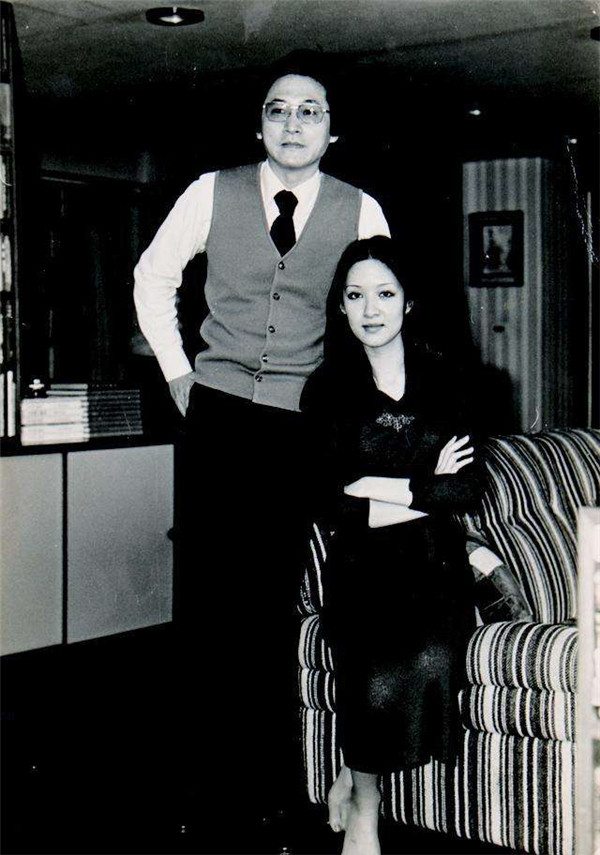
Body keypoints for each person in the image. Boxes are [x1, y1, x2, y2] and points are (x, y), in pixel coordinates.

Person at [133, 54, 390, 833]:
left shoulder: (361, 208)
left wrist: (361, 411)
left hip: (301, 426)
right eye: (279, 109)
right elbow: (152, 277)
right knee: (209, 607)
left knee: (275, 610)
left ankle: (269, 797)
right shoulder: (210, 192)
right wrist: (179, 373)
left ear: (332, 132)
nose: (293, 123)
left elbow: (376, 315)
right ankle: (203, 797)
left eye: (310, 111)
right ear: (259, 126)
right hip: (217, 420)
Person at [301, 236, 482, 855]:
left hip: (434, 562)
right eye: (355, 296)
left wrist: (377, 485)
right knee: (372, 650)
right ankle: (365, 805)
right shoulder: (327, 390)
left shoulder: (450, 382)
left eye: (384, 293)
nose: (370, 309)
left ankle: (353, 769)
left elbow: (465, 490)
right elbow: (329, 501)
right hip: (361, 565)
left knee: (425, 647)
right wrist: (426, 483)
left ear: (408, 302)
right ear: (341, 307)